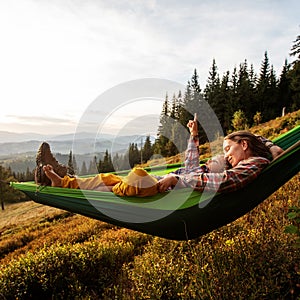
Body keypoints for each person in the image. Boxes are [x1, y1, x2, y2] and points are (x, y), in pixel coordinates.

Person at [36, 115, 283, 197]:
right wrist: (194, 137)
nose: (226, 155)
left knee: (135, 177)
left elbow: (230, 182)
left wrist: (178, 180)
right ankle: (62, 180)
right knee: (110, 177)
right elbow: (191, 168)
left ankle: (61, 181)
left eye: (228, 148)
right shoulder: (238, 157)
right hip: (171, 181)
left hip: (166, 192)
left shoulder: (254, 162)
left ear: (244, 144)